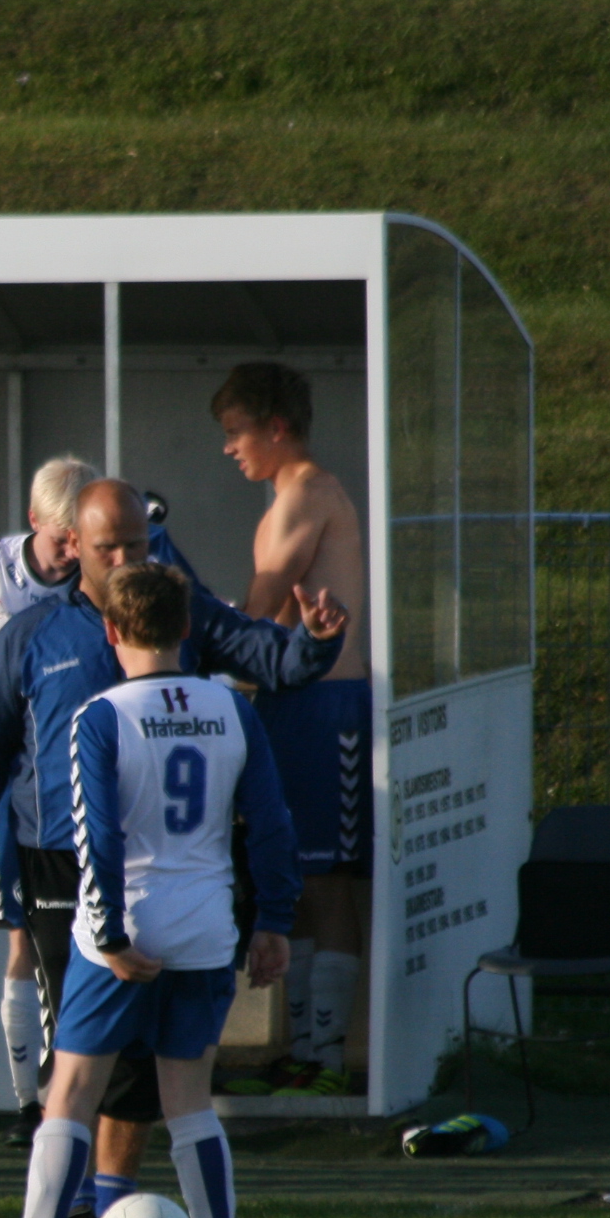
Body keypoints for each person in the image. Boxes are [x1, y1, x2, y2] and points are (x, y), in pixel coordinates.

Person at [0, 479, 345, 1218]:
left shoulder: (179, 612)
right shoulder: (32, 636)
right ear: (73, 547)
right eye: (112, 547)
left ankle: (104, 1209)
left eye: (140, 542)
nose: (130, 558)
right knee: (78, 1051)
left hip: (168, 871)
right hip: (59, 863)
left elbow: (269, 656)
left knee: (140, 1070)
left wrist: (315, 642)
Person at [0, 455, 98, 1148]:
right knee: (21, 936)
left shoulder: (104, 571)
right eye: (62, 539)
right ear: (34, 521)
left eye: (80, 539)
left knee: (71, 938)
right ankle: (30, 1101)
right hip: (13, 770)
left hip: (76, 770)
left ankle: (76, 1093)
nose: (71, 553)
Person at [219, 362, 371, 1096]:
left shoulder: (309, 493)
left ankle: (329, 1056)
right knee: (297, 881)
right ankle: (306, 1048)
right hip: (288, 704)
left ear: (276, 428)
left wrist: (209, 638)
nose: (229, 448)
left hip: (326, 705)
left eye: (236, 432)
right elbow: (273, 623)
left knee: (327, 883)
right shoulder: (289, 497)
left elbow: (260, 607)